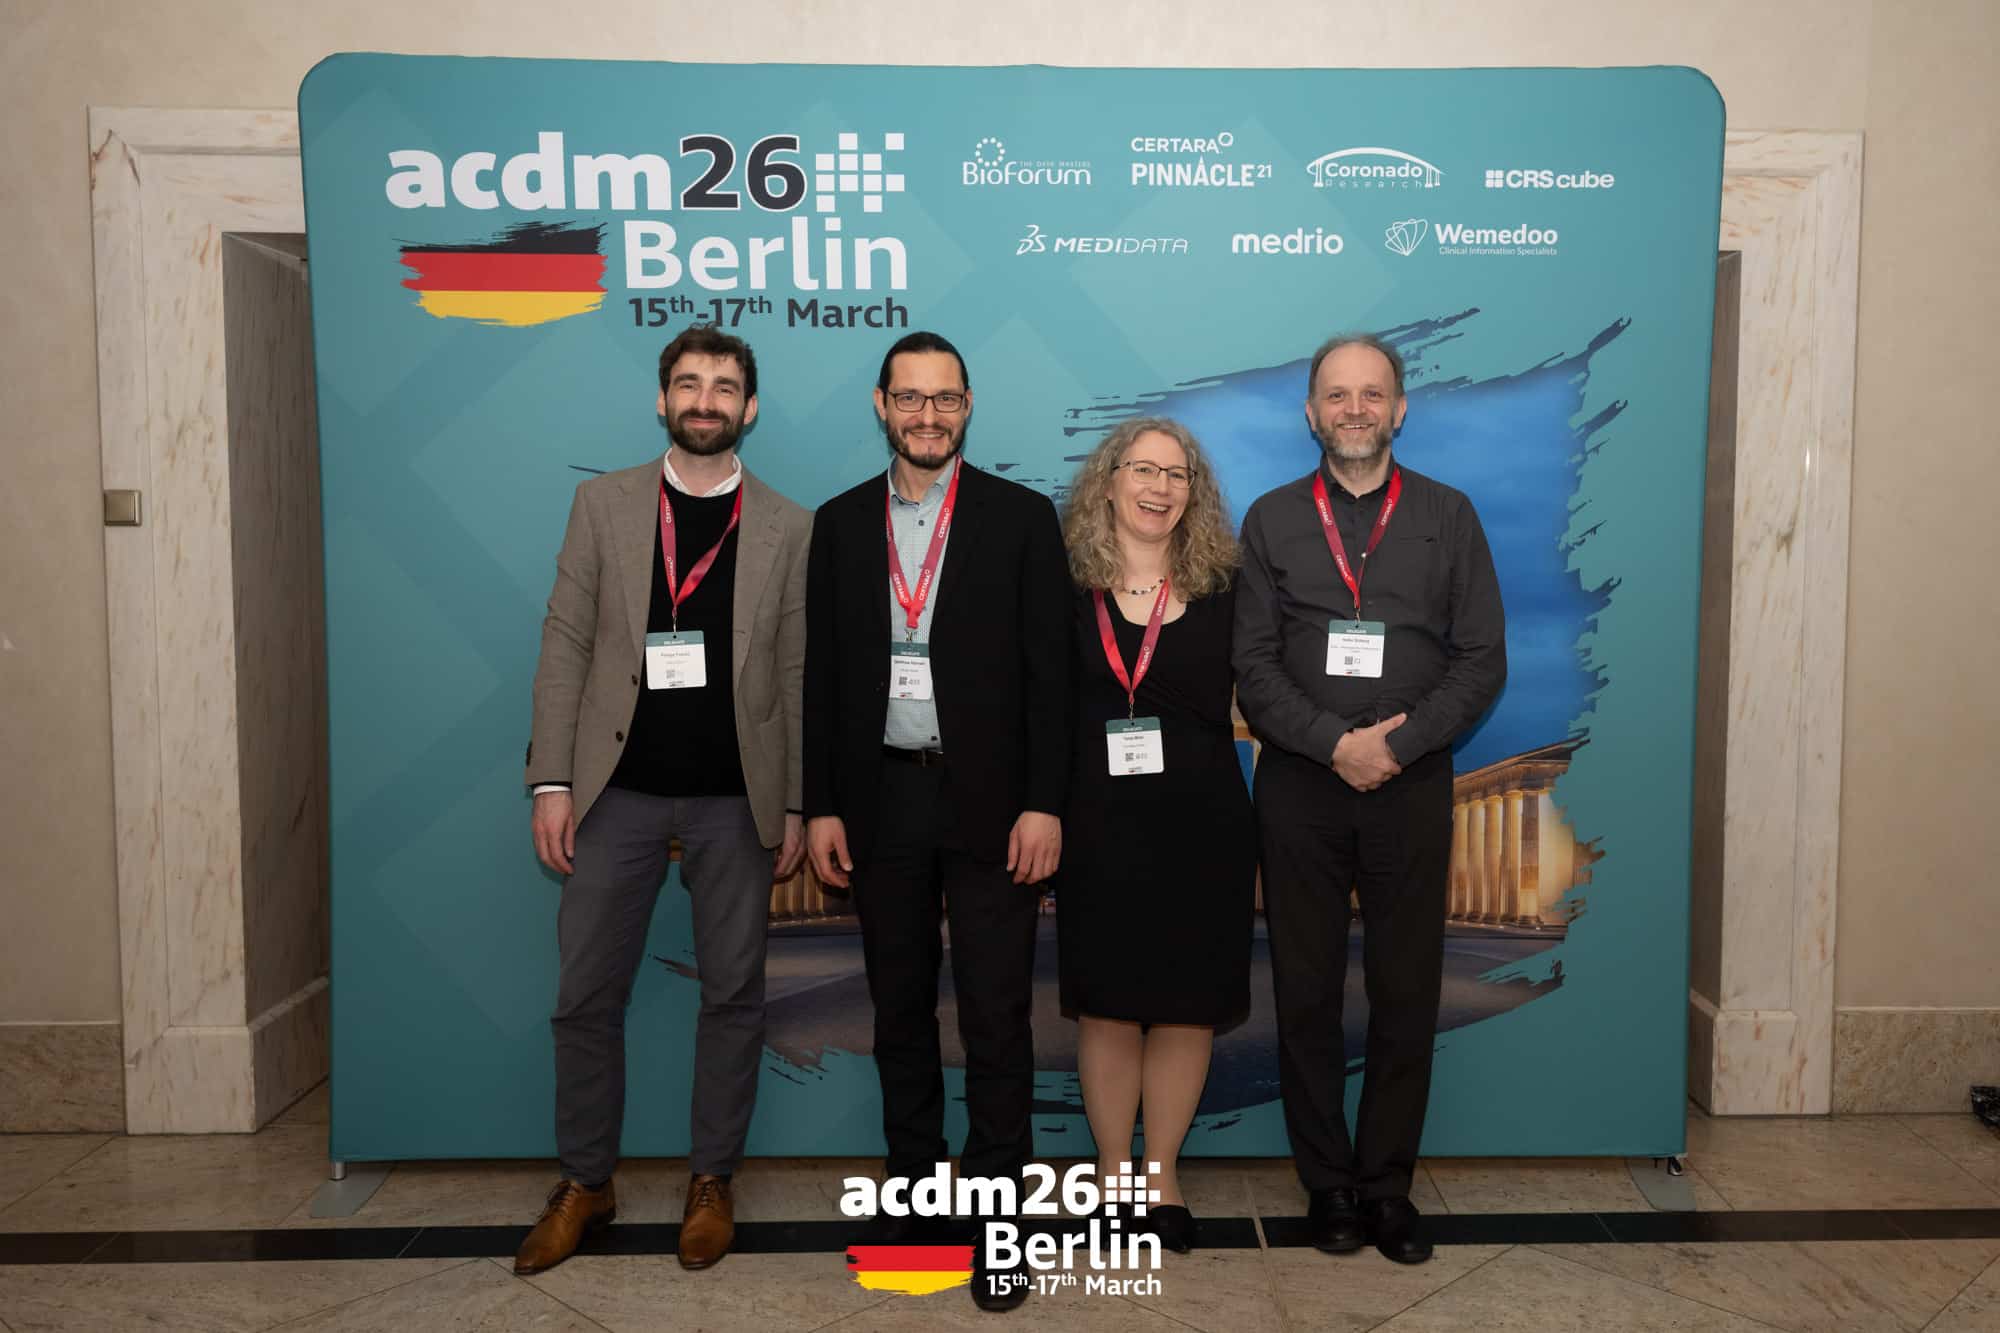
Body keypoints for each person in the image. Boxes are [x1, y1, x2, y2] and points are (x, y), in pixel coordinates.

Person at [518, 325, 812, 1275]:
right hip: (616, 795)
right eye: (688, 383)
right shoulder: (601, 504)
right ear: (662, 400)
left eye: (724, 386)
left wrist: (797, 802)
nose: (705, 400)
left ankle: (711, 1179)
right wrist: (553, 781)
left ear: (749, 407)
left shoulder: (790, 524)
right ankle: (586, 1181)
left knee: (733, 997)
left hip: (736, 800)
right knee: (584, 997)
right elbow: (566, 641)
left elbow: (797, 671)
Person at [803, 330, 1073, 1312]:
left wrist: (1045, 801)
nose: (928, 415)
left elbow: (1053, 676)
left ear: (967, 406)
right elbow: (820, 676)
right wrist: (820, 802)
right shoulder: (838, 524)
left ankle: (1000, 1222)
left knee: (998, 1017)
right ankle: (916, 1203)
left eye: (945, 398)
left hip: (994, 804)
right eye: (909, 398)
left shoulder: (1020, 518)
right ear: (881, 405)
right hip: (880, 800)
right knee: (900, 1012)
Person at [1233, 333, 1506, 1265]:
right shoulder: (1271, 519)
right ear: (1311, 413)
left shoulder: (1448, 515)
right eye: (1337, 395)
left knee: (1405, 988)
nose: (1355, 409)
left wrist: (1395, 744)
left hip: (1411, 783)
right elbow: (1252, 664)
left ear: (1400, 408)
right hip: (1299, 785)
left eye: (1372, 393)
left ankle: (1387, 1184)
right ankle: (1329, 1184)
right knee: (1305, 989)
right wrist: (1332, 743)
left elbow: (1482, 659)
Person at [1056, 417, 1255, 1257]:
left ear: (1192, 493)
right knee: (1107, 1006)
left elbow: (1272, 684)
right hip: (1097, 827)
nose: (1160, 487)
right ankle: (1111, 1174)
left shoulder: (1226, 587)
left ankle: (1162, 1174)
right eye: (1143, 469)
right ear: (1109, 482)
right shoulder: (1066, 586)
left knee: (1187, 1008)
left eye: (1177, 475)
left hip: (1203, 827)